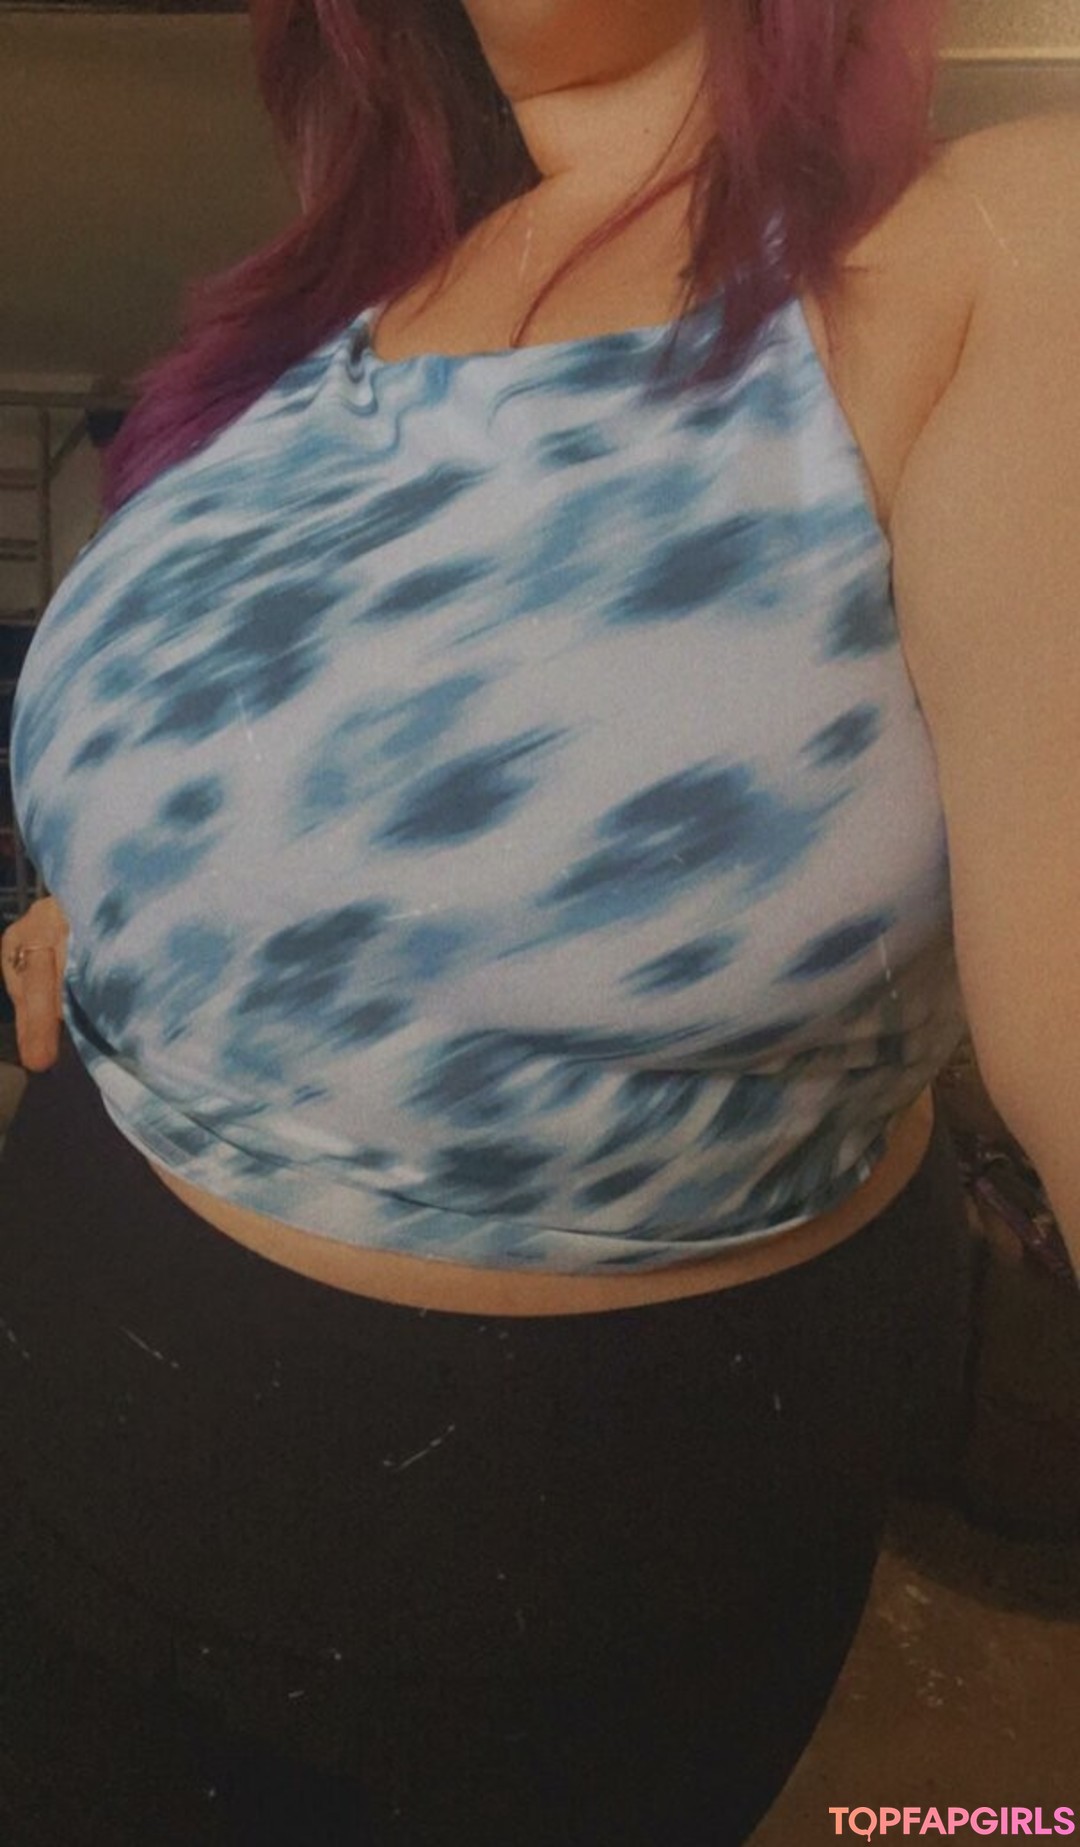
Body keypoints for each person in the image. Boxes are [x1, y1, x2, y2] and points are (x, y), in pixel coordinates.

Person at [1, 1, 1078, 1841]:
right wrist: (130, 898)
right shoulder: (329, 310)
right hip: (61, 1392)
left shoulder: (990, 250)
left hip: (536, 1609)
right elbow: (247, 746)